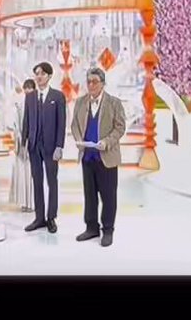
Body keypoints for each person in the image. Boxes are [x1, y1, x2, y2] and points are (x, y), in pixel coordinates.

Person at [71, 66, 125, 247]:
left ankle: (108, 230)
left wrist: (107, 142)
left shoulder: (114, 103)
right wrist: (79, 140)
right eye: (89, 82)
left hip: (106, 157)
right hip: (87, 157)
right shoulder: (80, 102)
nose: (91, 85)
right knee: (90, 195)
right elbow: (75, 125)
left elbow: (120, 127)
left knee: (108, 196)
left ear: (103, 83)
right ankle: (91, 227)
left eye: (95, 82)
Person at [24, 62, 66, 234]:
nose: (38, 76)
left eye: (42, 73)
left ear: (49, 76)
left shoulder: (58, 96)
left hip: (50, 146)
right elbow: (26, 121)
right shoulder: (30, 97)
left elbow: (61, 123)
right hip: (34, 145)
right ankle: (39, 217)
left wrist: (59, 146)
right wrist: (24, 143)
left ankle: (51, 218)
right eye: (36, 74)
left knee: (52, 181)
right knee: (37, 181)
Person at [8, 79, 36, 213]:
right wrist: (19, 140)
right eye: (26, 88)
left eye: (30, 88)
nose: (28, 90)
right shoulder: (20, 104)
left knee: (31, 174)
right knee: (23, 172)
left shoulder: (37, 104)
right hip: (21, 143)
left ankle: (32, 203)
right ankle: (24, 202)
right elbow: (14, 124)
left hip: (33, 144)